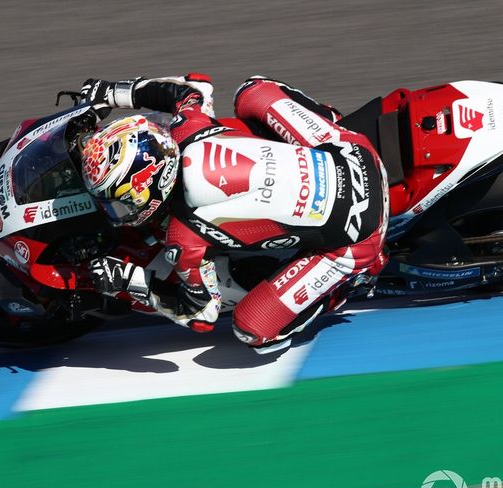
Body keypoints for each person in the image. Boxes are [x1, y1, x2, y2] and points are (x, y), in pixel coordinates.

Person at [80, 74, 389, 352]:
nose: (114, 210)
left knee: (252, 330)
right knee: (251, 90)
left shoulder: (183, 238)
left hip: (358, 235)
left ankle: (348, 284)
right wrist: (112, 92)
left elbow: (202, 314)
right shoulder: (188, 129)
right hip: (351, 149)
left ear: (148, 185)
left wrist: (131, 280)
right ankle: (333, 120)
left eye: (118, 200)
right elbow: (192, 88)